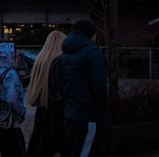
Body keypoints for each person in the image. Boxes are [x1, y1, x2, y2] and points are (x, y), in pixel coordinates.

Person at [56, 19, 109, 157]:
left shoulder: (64, 55)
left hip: (71, 111)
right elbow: (99, 85)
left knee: (88, 146)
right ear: (91, 35)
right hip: (88, 112)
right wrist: (102, 107)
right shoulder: (92, 52)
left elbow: (59, 83)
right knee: (84, 149)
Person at [26, 30, 70, 157]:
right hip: (56, 111)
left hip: (43, 108)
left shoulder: (41, 60)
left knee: (40, 144)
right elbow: (58, 89)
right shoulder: (59, 61)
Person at [0, 41, 27, 157]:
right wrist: (21, 112)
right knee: (17, 150)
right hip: (10, 118)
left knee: (5, 149)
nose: (18, 59)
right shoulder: (11, 74)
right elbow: (12, 98)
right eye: (17, 56)